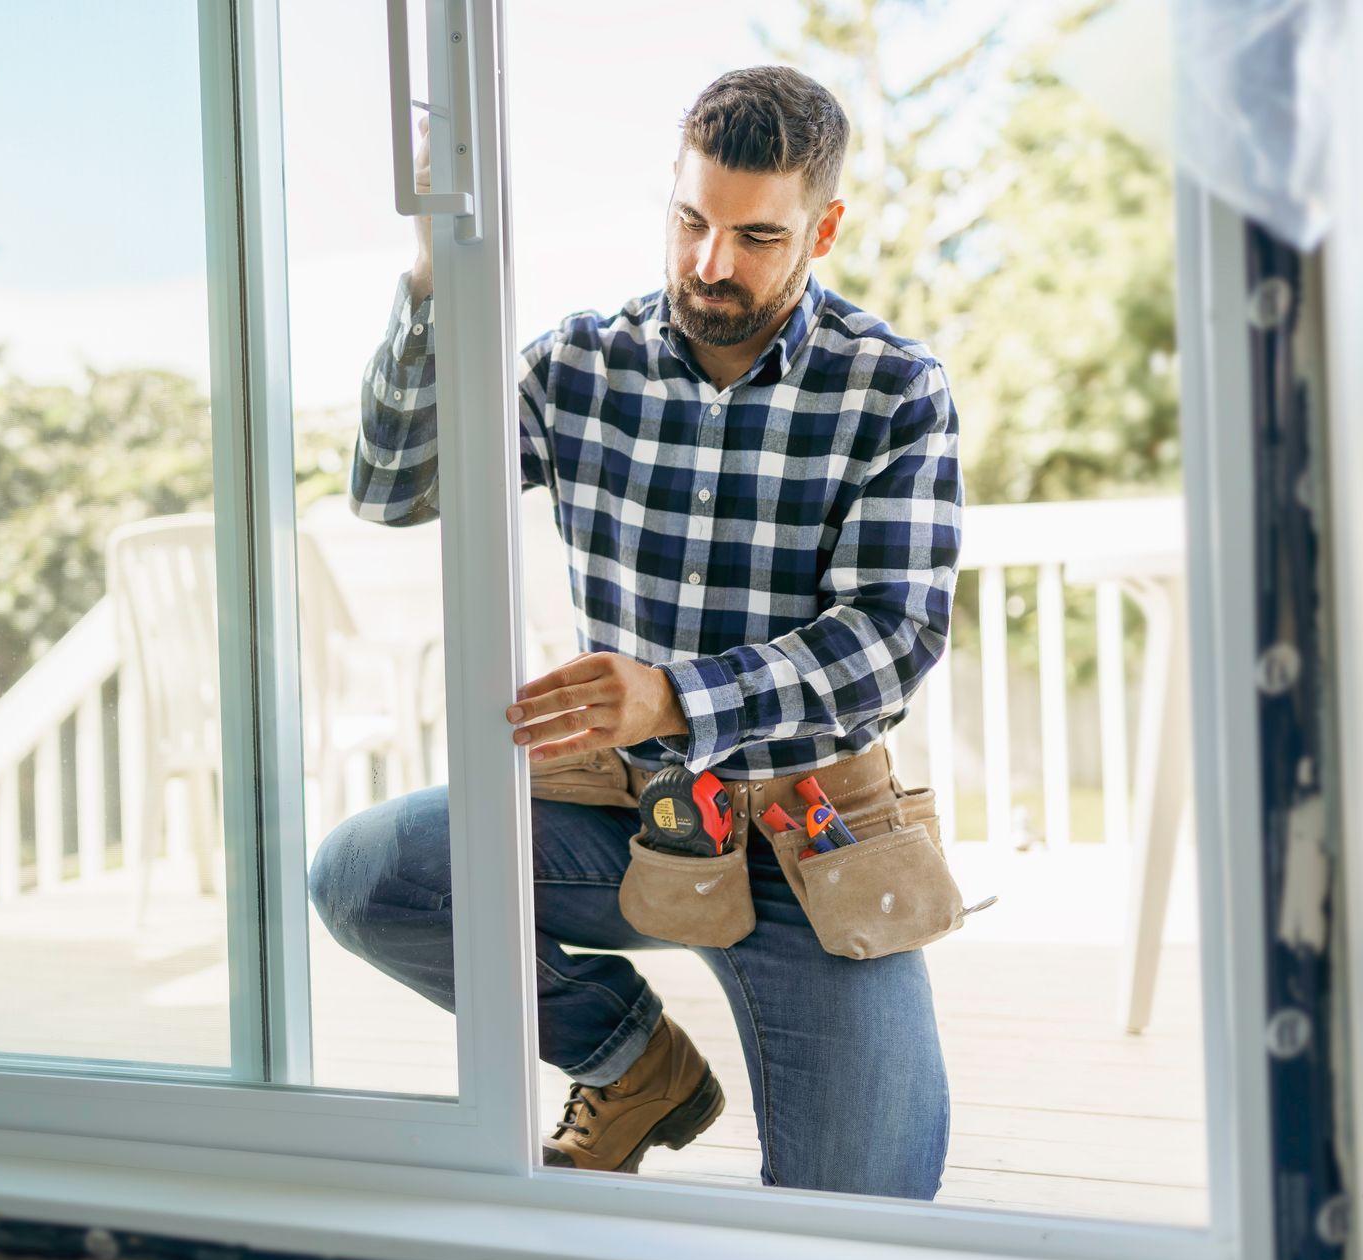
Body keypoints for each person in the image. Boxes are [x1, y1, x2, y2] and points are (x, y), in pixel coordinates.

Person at [308, 65, 960, 1198]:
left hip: (813, 836)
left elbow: (893, 635)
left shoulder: (893, 389)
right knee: (368, 876)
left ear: (825, 226)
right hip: (633, 821)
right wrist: (428, 277)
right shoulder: (577, 366)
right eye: (692, 221)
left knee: (874, 1208)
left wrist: (676, 694)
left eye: (757, 236)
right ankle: (634, 1061)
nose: (713, 264)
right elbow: (392, 486)